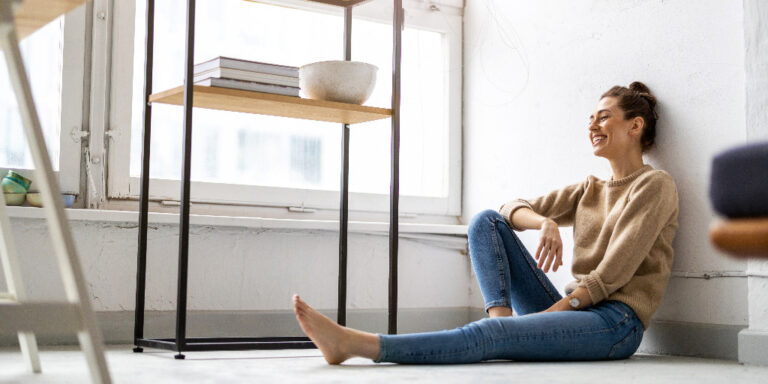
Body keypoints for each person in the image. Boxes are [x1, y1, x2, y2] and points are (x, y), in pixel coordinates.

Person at [292, 81, 679, 364]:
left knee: (495, 337)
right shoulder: (589, 188)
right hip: (576, 311)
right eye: (590, 118)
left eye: (604, 117)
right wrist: (544, 221)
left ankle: (360, 345)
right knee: (485, 221)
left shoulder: (654, 186)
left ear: (635, 126)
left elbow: (611, 275)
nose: (592, 125)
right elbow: (510, 209)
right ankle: (500, 321)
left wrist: (549, 316)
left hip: (614, 323)